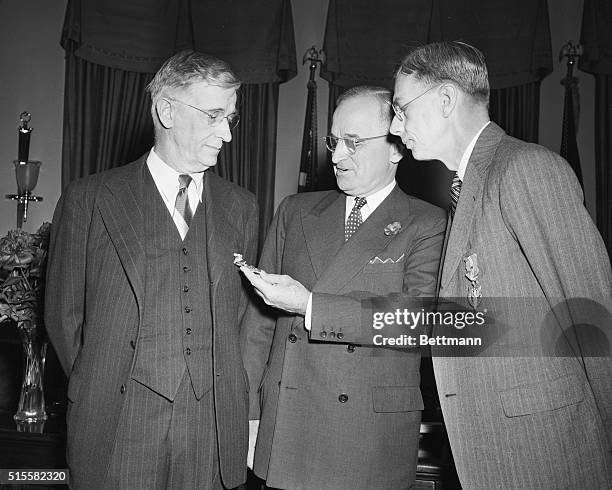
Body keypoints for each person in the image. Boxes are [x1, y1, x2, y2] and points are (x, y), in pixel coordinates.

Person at [390, 41, 612, 489]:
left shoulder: (524, 169)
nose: (397, 127)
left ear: (446, 99)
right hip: (496, 451)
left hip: (546, 456)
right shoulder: (468, 189)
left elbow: (592, 316)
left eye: (401, 109)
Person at [45, 50, 258, 489]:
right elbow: (64, 317)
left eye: (230, 118)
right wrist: (103, 381)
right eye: (214, 115)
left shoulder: (242, 207)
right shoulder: (91, 199)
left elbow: (240, 318)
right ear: (166, 110)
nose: (227, 134)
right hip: (118, 425)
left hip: (210, 430)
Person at [240, 86, 446, 489]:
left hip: (368, 440)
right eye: (334, 142)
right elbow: (258, 327)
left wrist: (310, 306)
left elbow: (415, 322)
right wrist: (248, 415)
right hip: (287, 428)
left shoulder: (427, 223)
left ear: (396, 148)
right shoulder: (295, 212)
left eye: (353, 142)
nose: (335, 156)